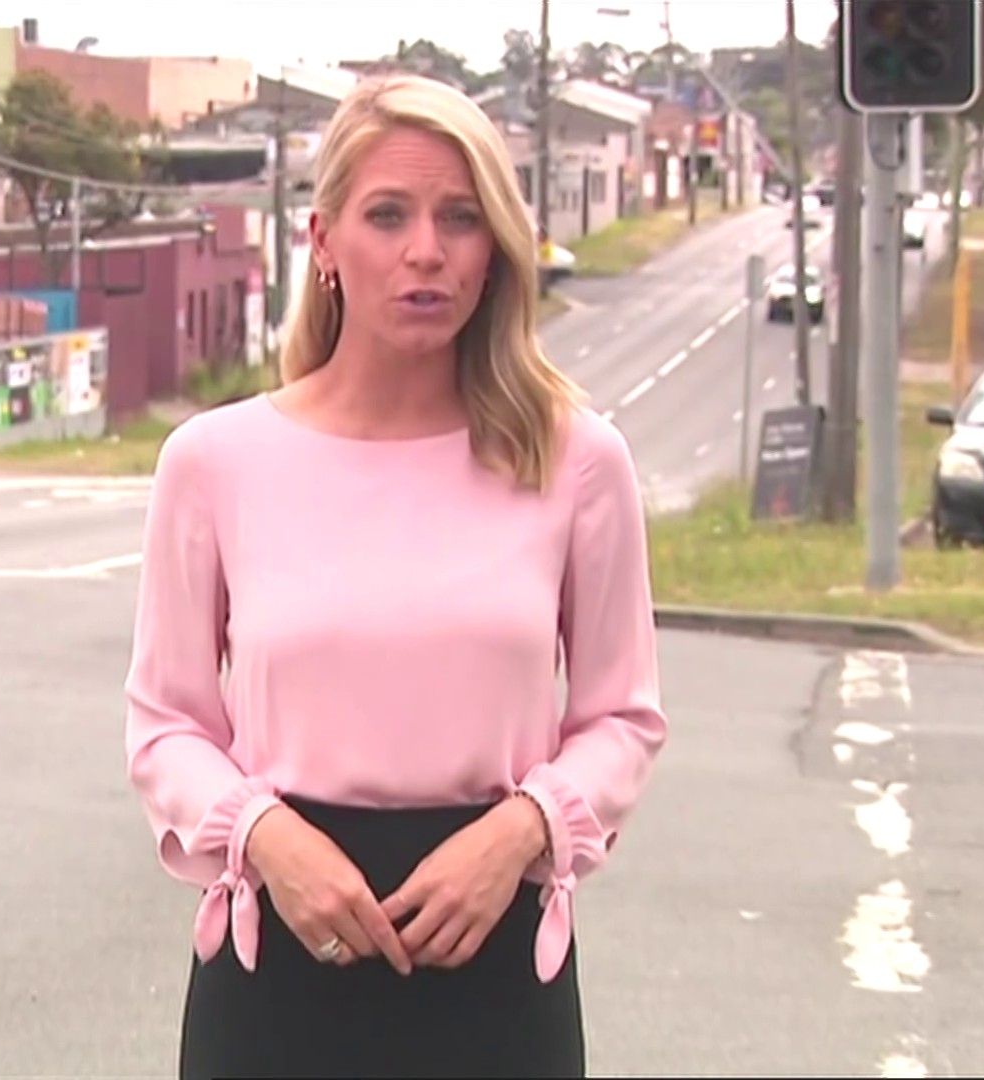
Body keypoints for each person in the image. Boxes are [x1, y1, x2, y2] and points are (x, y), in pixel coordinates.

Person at [123, 74, 668, 1079]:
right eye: (388, 215)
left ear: (495, 246)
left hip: (495, 970)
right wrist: (265, 837)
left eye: (460, 218)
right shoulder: (214, 462)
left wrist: (522, 832)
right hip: (277, 966)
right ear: (324, 241)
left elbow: (622, 720)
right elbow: (166, 725)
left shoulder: (577, 461)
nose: (426, 251)